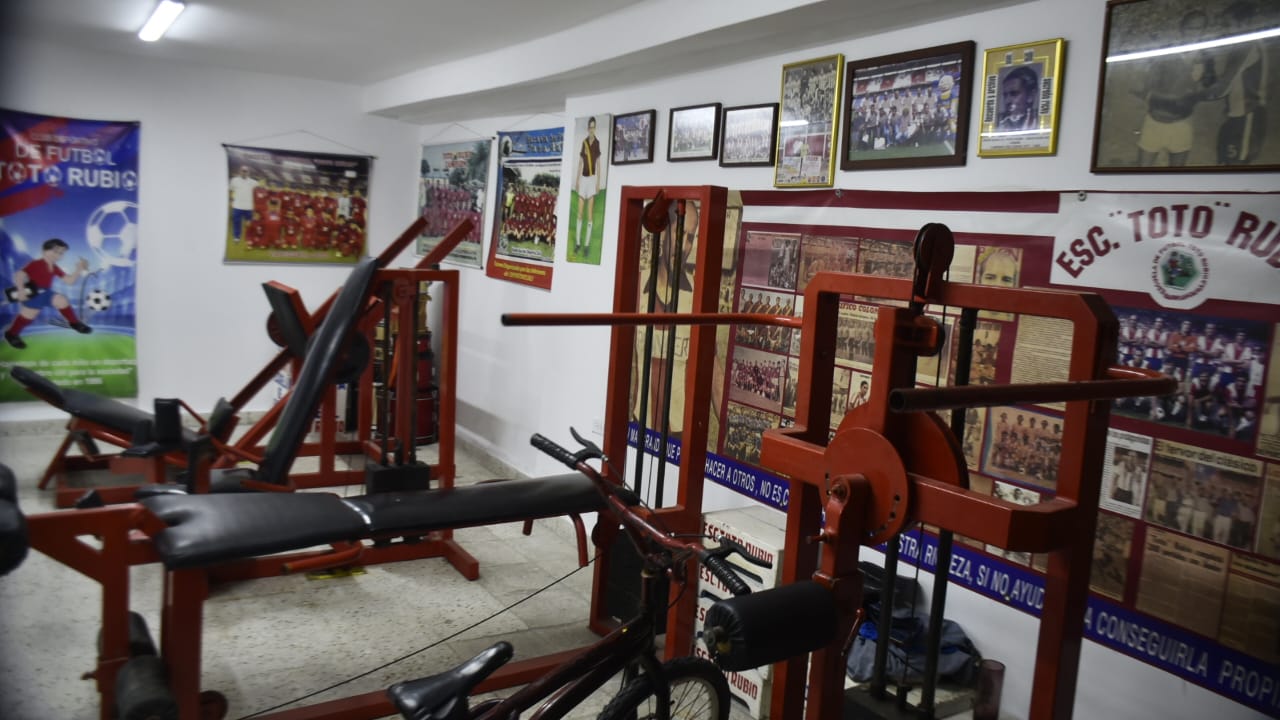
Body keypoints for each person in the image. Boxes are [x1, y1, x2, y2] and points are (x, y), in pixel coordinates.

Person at [1135, 10, 1213, 166]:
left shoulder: (1206, 57)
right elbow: (1150, 81)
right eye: (1191, 28)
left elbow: (1208, 88)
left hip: (1182, 123)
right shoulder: (1167, 50)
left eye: (1199, 28)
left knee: (1176, 176)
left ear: (1204, 31)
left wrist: (1195, 90)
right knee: (1141, 172)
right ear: (1182, 28)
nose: (1194, 33)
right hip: (1154, 121)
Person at [1204, 2, 1266, 165]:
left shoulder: (1248, 46)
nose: (1225, 30)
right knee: (1224, 164)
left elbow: (1222, 88)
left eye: (1228, 25)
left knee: (1236, 165)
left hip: (1247, 115)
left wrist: (1192, 94)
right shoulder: (1239, 47)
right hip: (1235, 115)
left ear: (1244, 23)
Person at [5, 238, 92, 348]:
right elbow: (19, 275)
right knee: (27, 317)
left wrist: (79, 269)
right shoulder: (36, 264)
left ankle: (74, 323)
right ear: (44, 251)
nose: (58, 255)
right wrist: (21, 290)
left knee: (62, 300)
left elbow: (69, 281)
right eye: (55, 251)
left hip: (46, 293)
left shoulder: (55, 267)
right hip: (34, 294)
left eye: (61, 253)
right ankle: (11, 334)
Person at [573, 117, 602, 255]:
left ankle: (586, 245)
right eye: (590, 127)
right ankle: (578, 243)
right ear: (587, 128)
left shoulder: (597, 143)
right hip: (583, 179)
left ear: (595, 128)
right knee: (580, 213)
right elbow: (580, 163)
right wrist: (577, 180)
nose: (591, 129)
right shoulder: (583, 143)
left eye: (593, 127)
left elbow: (599, 164)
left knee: (589, 214)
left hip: (592, 180)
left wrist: (598, 183)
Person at [997, 65, 1040, 132]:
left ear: (1031, 95)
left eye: (1014, 94)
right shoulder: (999, 124)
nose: (1007, 101)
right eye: (1005, 95)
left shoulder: (1039, 122)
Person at [228, 165, 260, 242]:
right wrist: (231, 201)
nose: (244, 172)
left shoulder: (254, 182)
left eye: (246, 171)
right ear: (240, 171)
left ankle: (250, 237)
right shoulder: (234, 180)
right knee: (236, 222)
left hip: (249, 207)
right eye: (243, 171)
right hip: (237, 206)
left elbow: (259, 191)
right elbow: (230, 190)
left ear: (248, 172)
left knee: (250, 224)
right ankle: (237, 237)